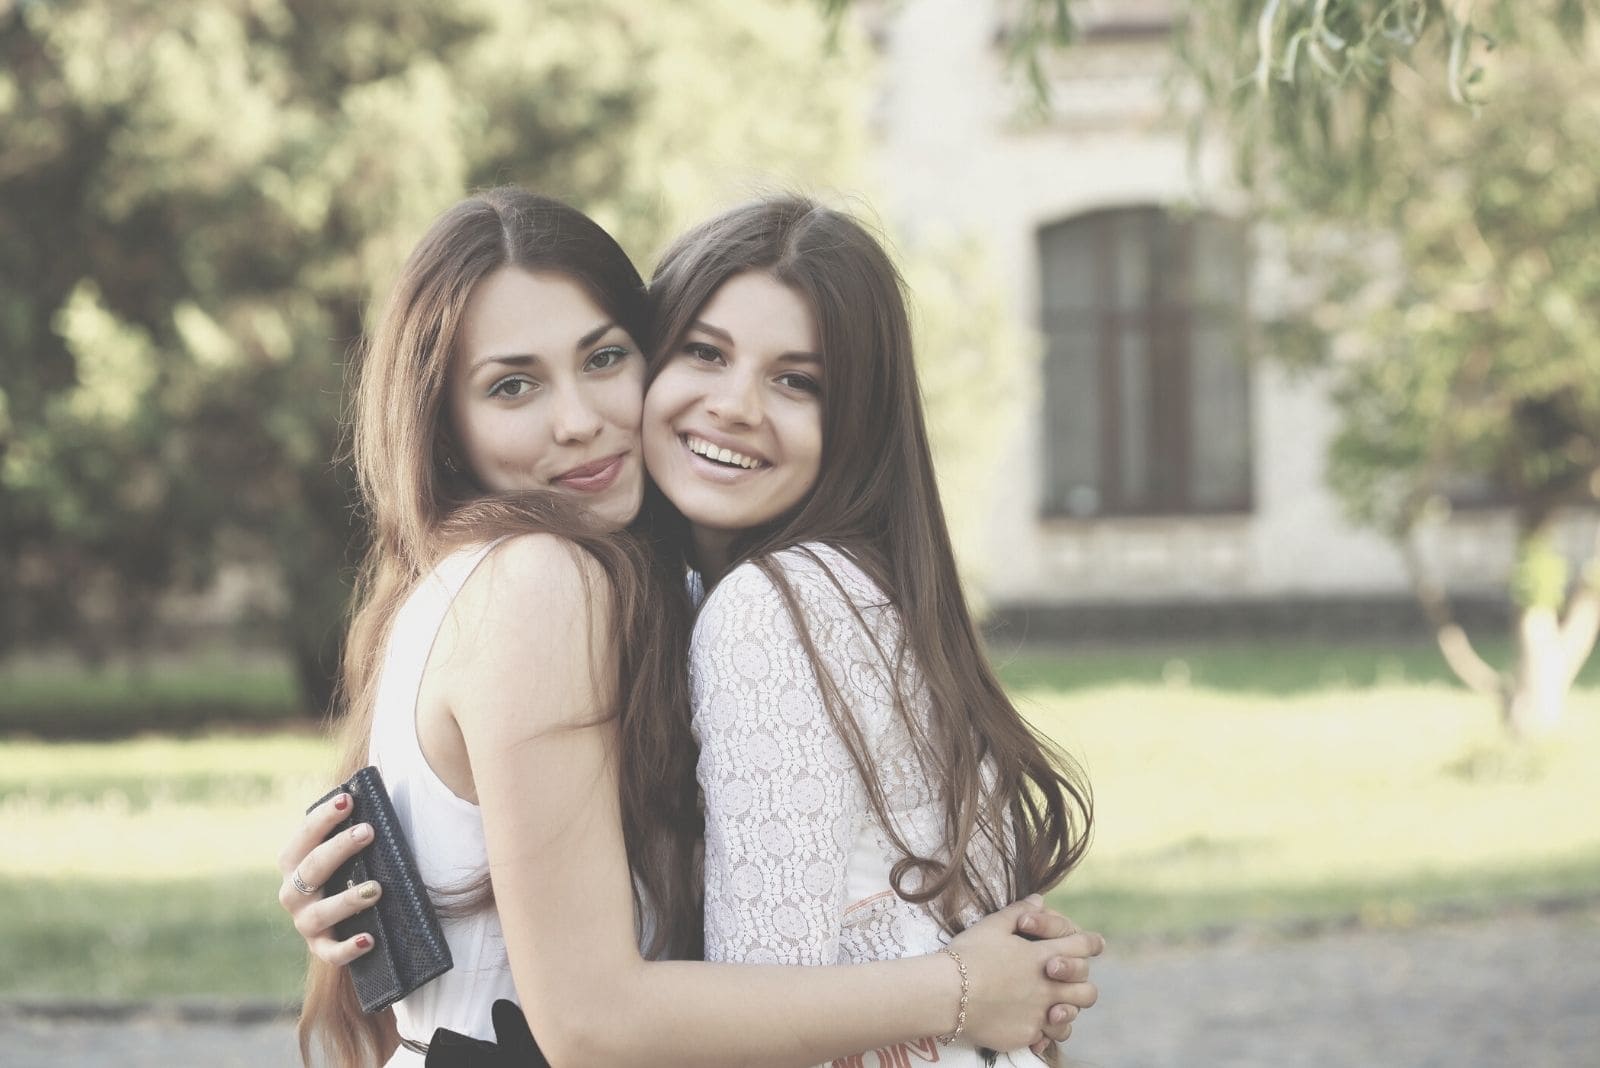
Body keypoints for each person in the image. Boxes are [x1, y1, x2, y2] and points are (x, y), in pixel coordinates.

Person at [280, 187, 1101, 1068]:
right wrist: (961, 989)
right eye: (512, 385)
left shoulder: (549, 584)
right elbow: (590, 1022)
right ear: (443, 421)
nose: (579, 421)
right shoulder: (541, 582)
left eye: (604, 358)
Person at [640, 197, 1096, 1067]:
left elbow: (761, 1015)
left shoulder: (771, 609)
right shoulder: (863, 588)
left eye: (797, 381)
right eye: (704, 352)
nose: (734, 405)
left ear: (858, 422)